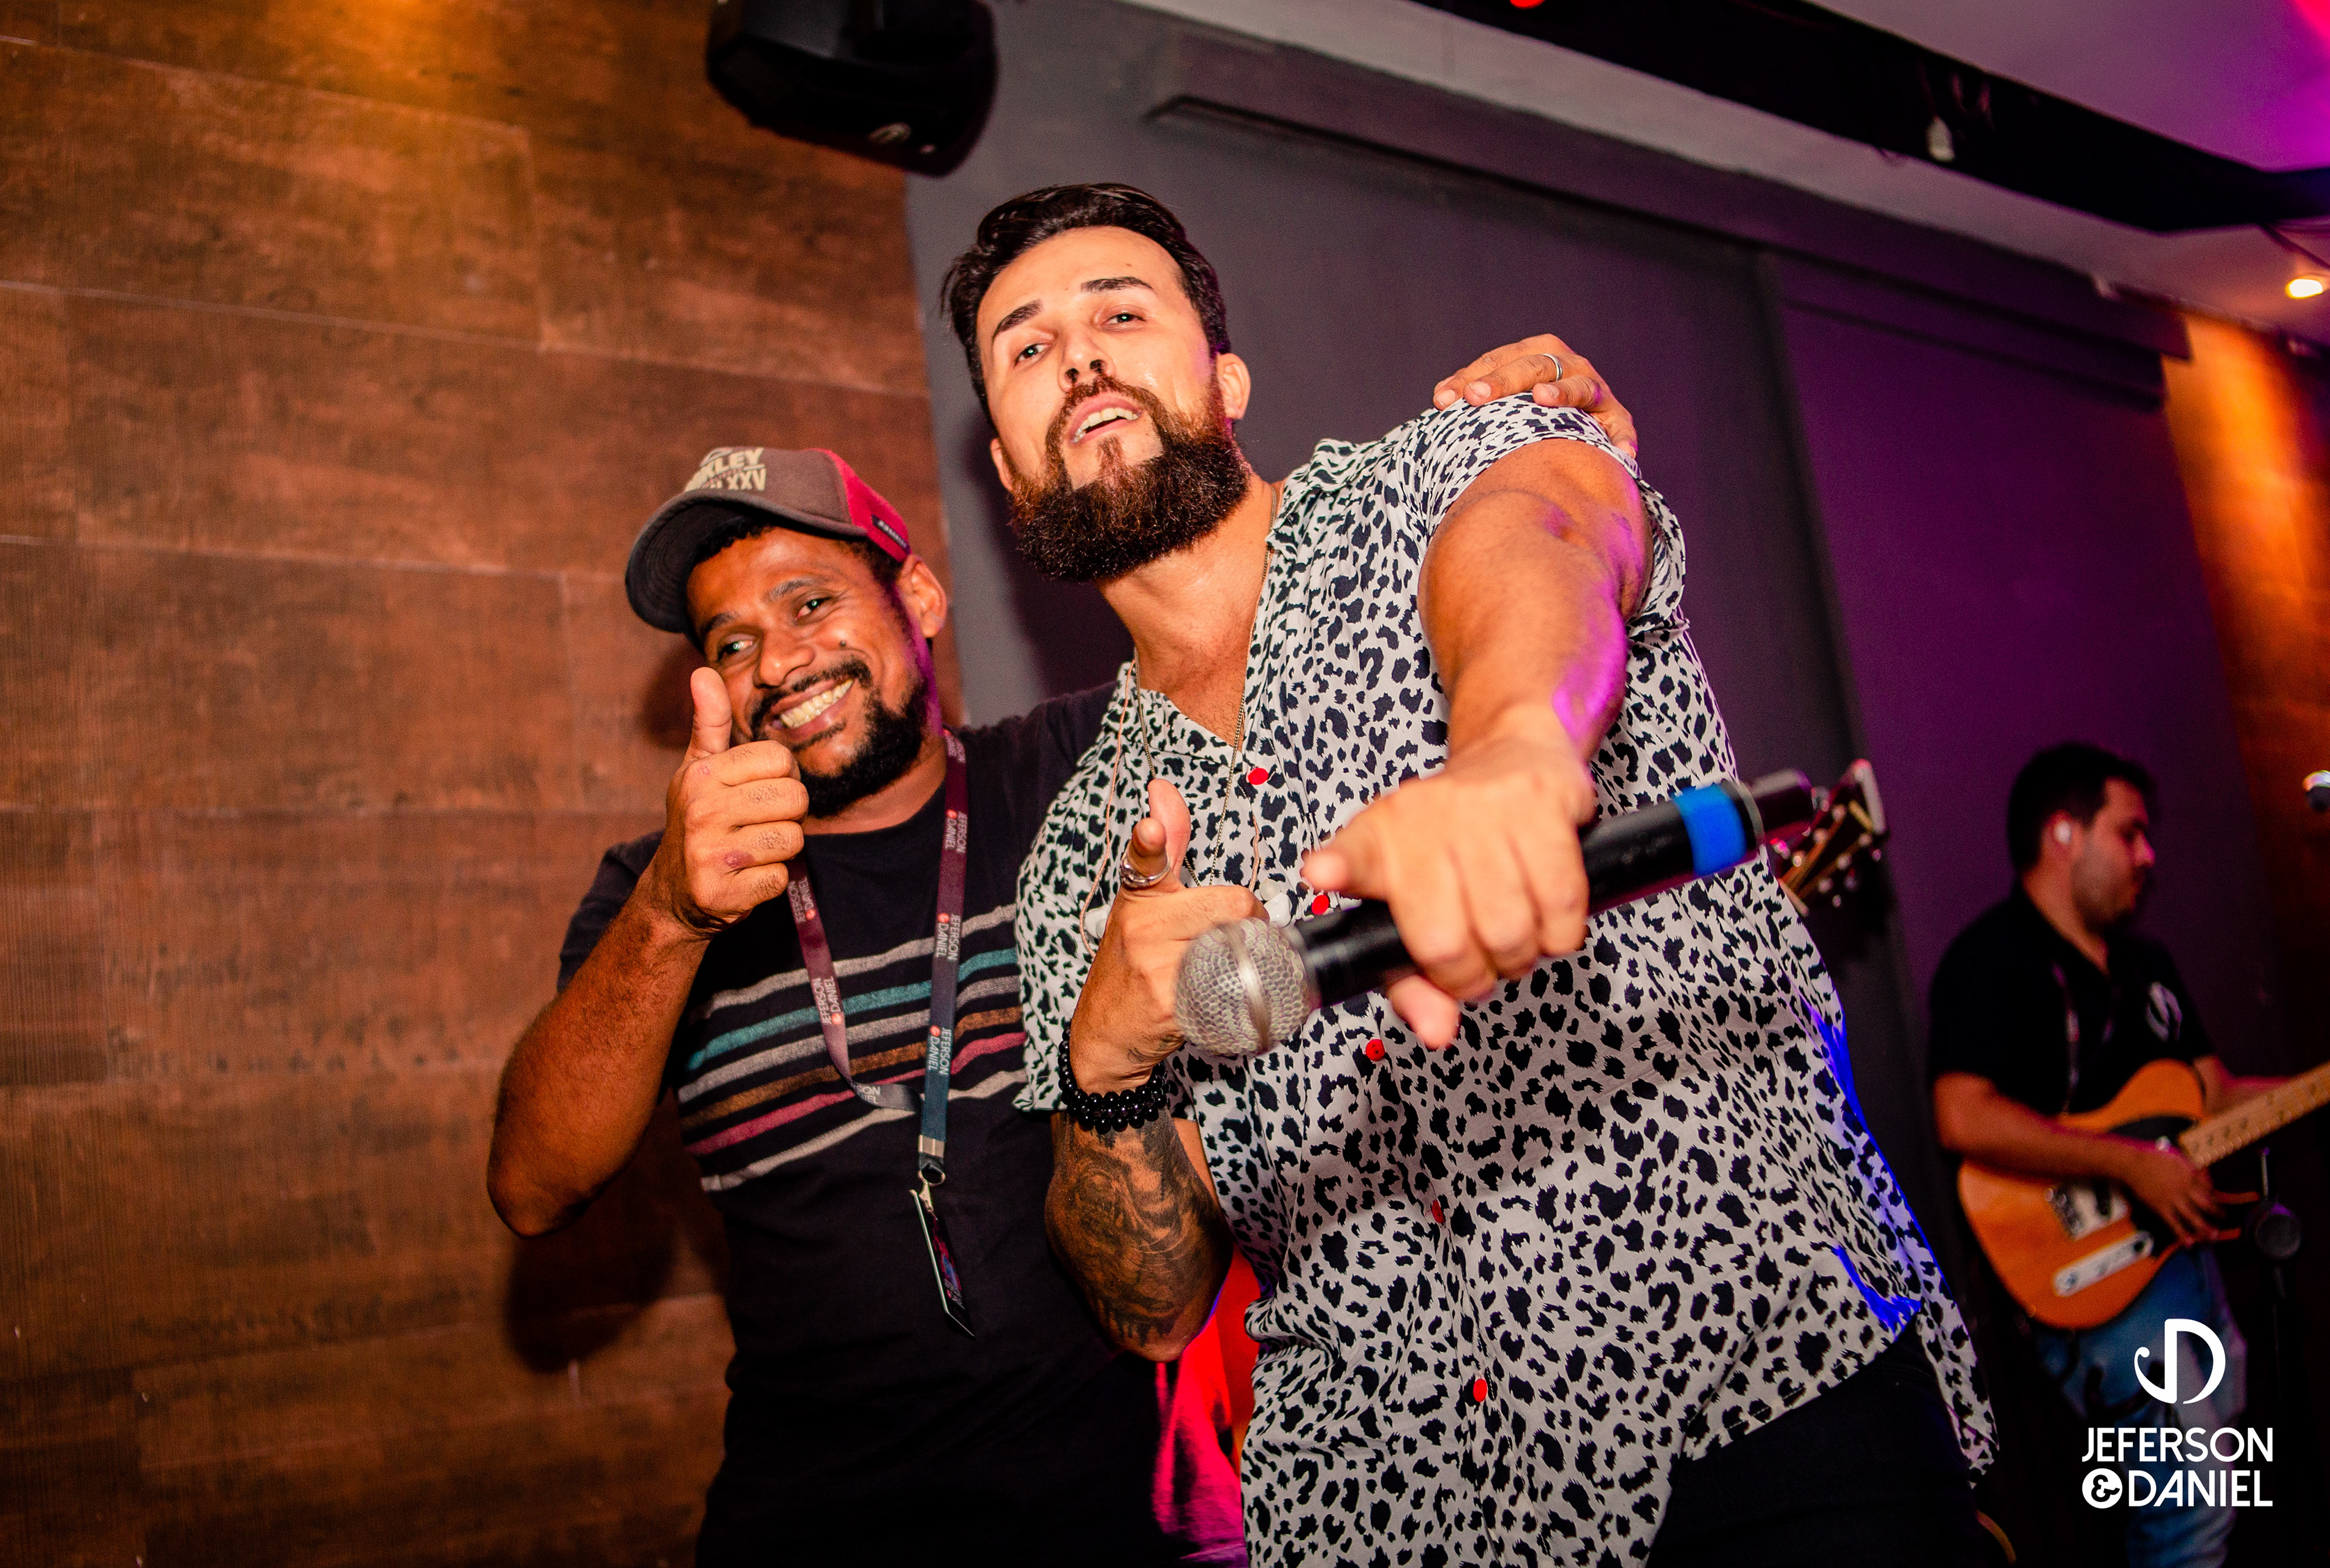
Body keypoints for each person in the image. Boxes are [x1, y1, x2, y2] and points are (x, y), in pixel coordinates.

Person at [943, 181, 1997, 1566]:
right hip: (1399, 1503)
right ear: (1010, 470)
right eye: (1026, 346)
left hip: (1749, 1375)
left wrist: (1508, 745)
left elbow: (1541, 529)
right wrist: (1105, 1068)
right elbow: (1152, 1306)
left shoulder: (1456, 464)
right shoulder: (1080, 854)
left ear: (1227, 376)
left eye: (1120, 314)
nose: (1077, 357)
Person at [485, 345, 1629, 1564]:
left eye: (811, 603)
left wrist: (1551, 449)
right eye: (730, 643)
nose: (775, 664)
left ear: (920, 597)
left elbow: (1338, 621)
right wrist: (671, 914)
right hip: (811, 1521)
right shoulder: (659, 893)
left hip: (1135, 1515)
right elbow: (534, 1187)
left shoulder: (1088, 775)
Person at [1929, 742, 2285, 1568]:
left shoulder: (2145, 965)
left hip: (2183, 1258)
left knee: (2216, 1490)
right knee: (2192, 1510)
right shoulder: (1993, 959)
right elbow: (1961, 1115)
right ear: (2064, 834)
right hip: (2090, 1280)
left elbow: (2216, 1096)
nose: (2148, 856)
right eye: (2130, 833)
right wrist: (2129, 1164)